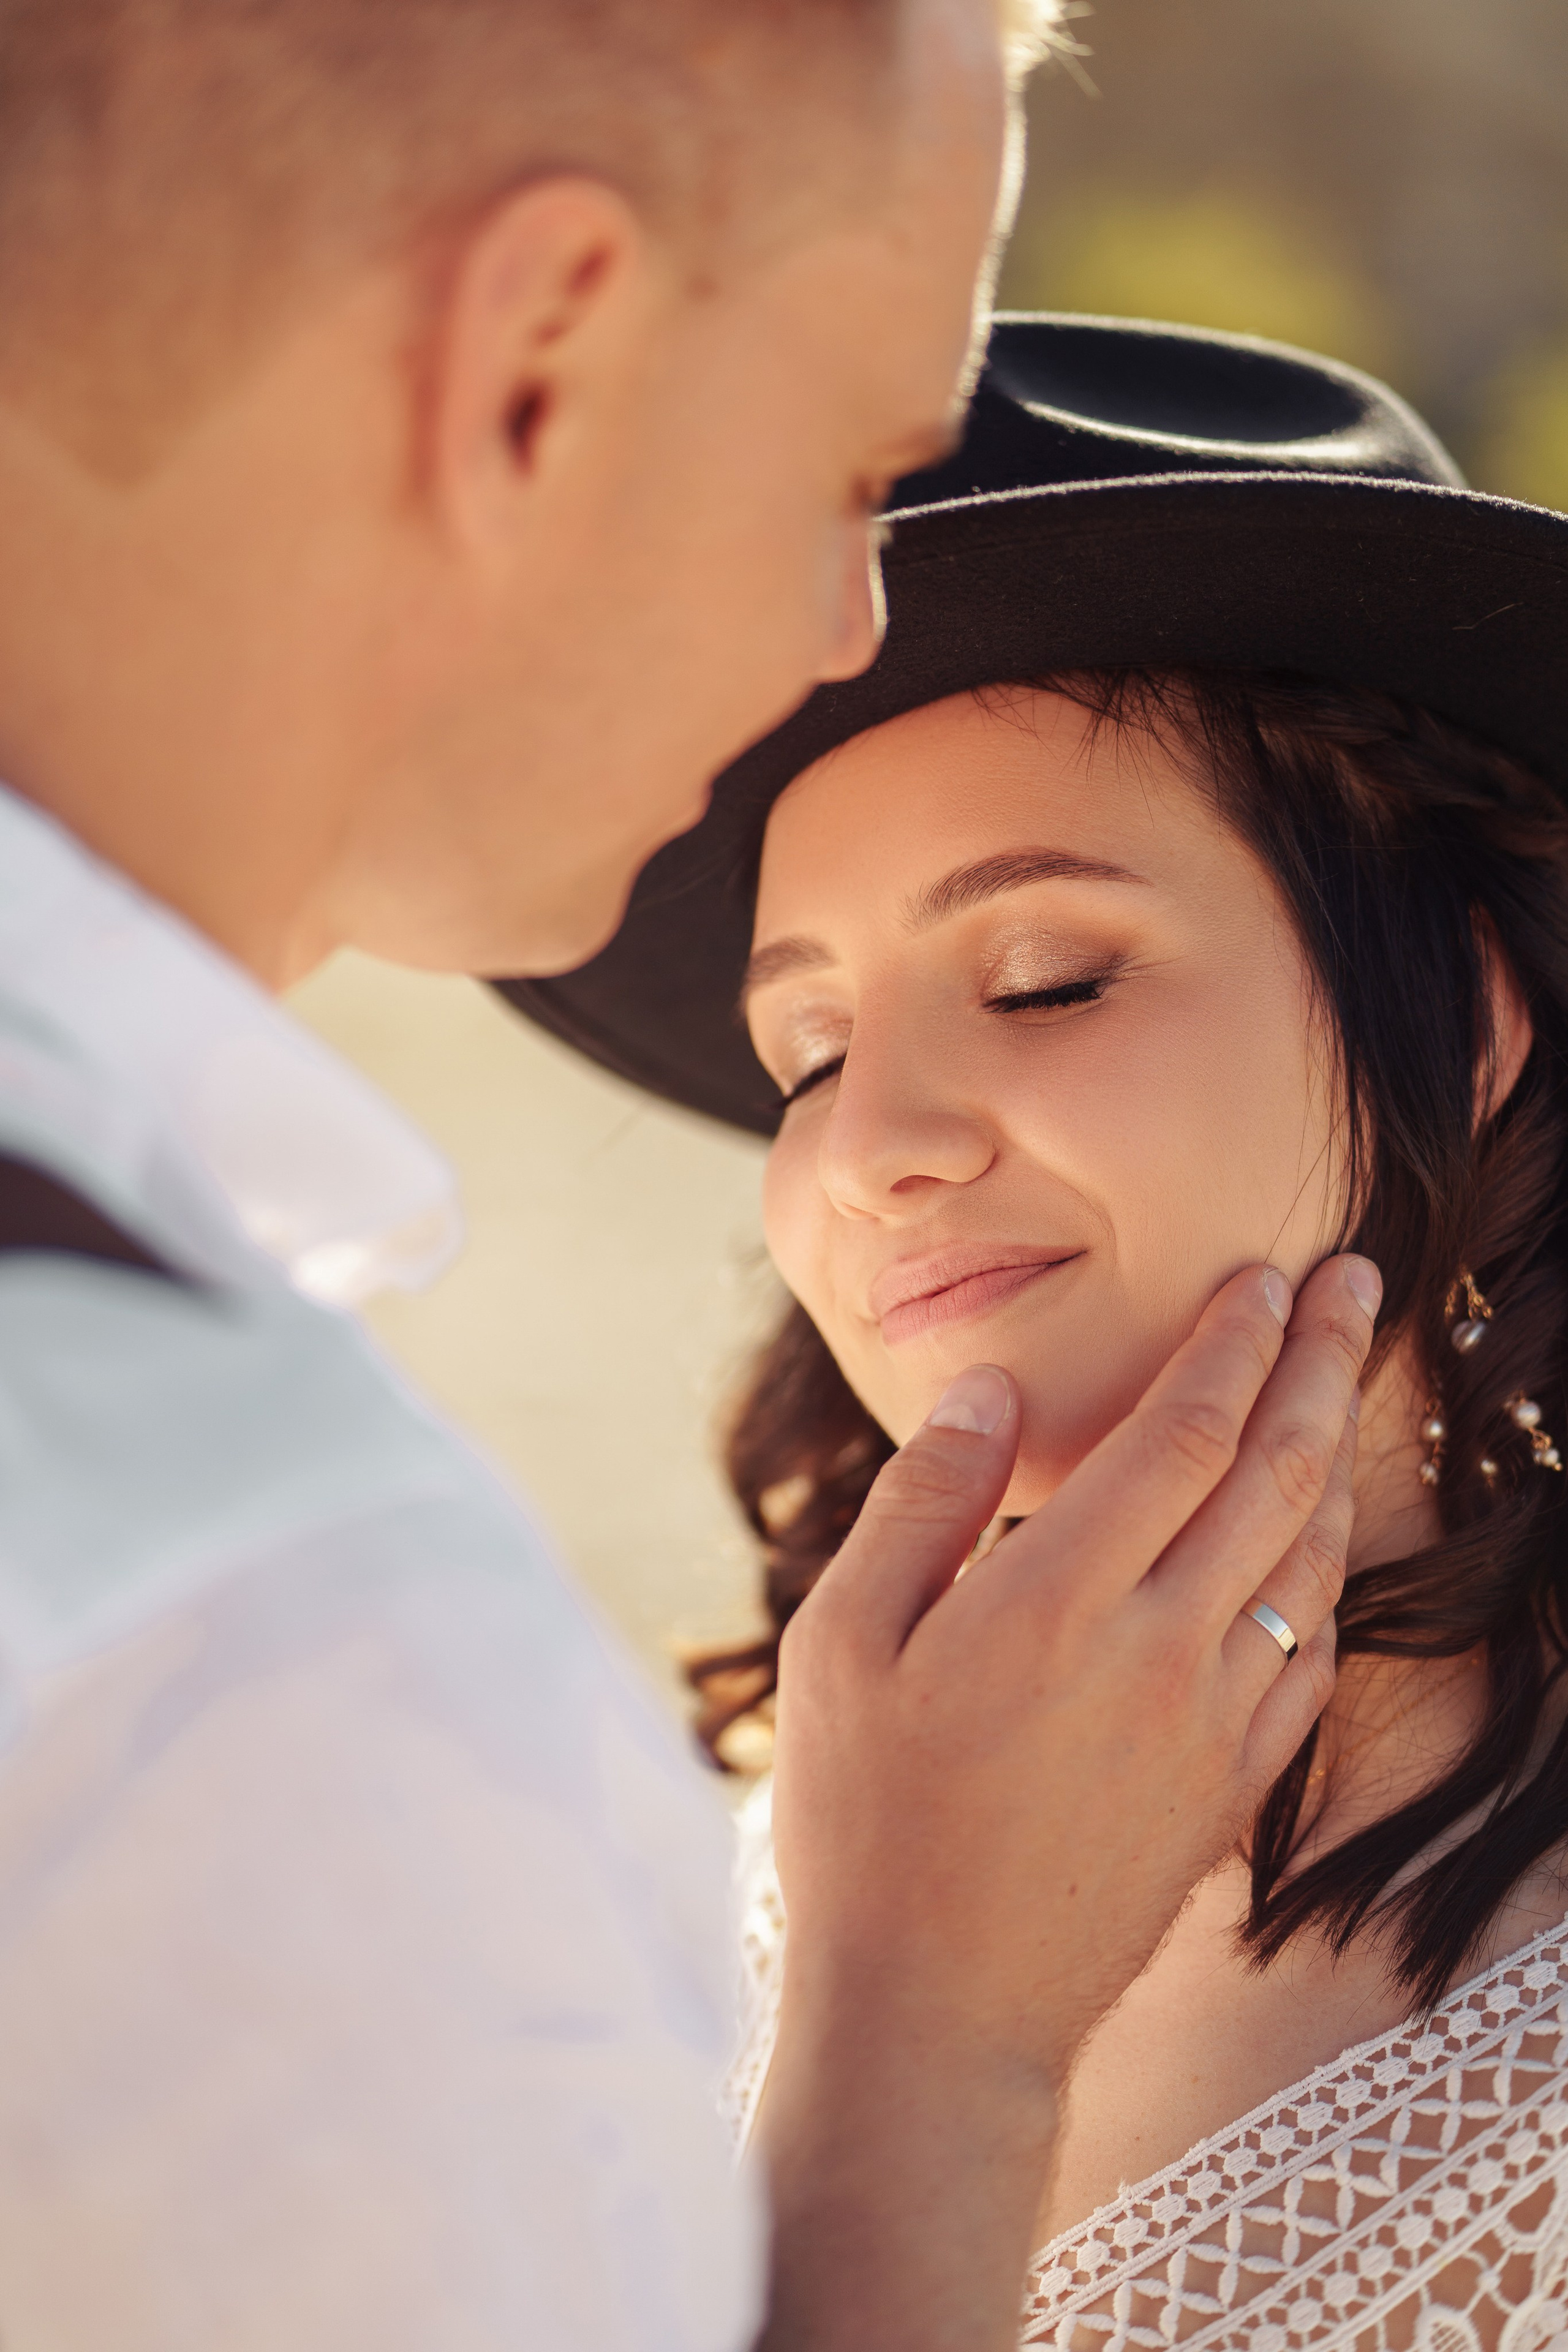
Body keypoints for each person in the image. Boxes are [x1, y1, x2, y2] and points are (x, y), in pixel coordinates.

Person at [0, 6, 1366, 2343]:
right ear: (539, 358)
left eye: (1045, 976)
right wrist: (923, 2066)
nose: (849, 627)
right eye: (859, 468)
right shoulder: (259, 1656)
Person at [505, 313, 1568, 2350]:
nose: (873, 1143)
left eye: (1050, 974)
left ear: (1463, 1008)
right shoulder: (671, 1868)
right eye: (807, 1049)